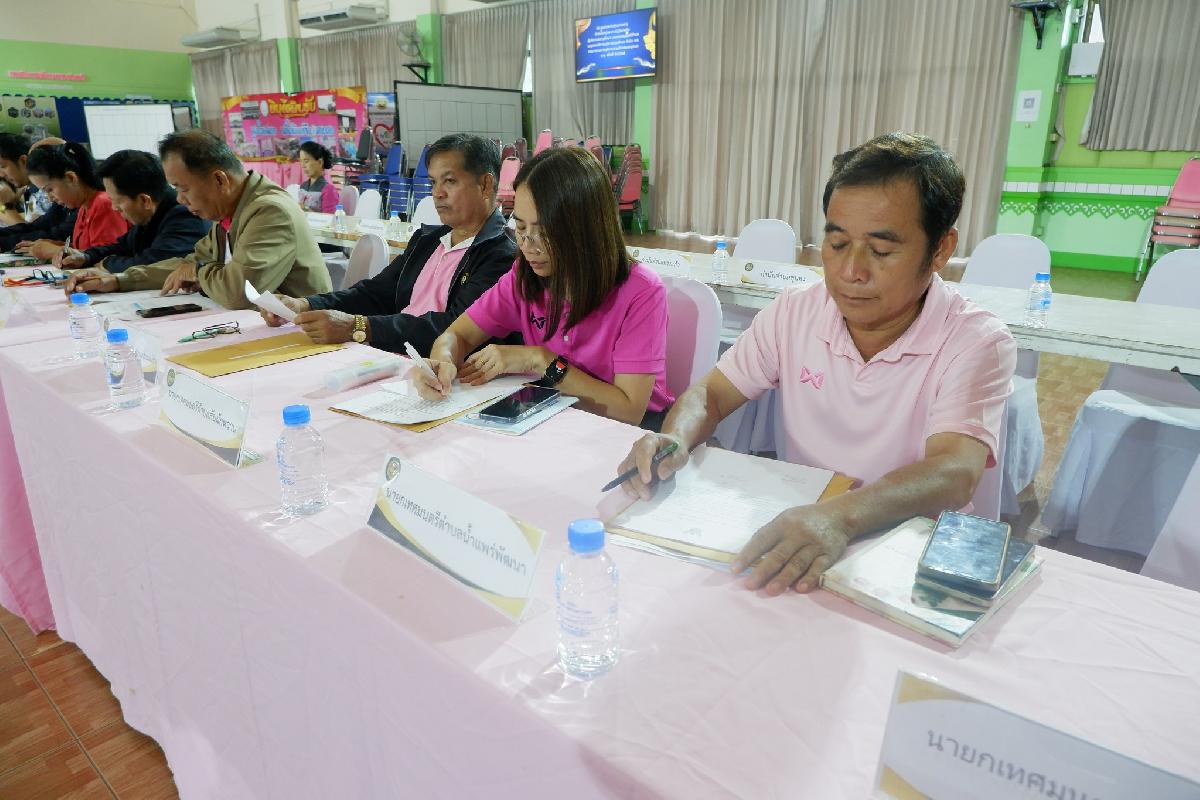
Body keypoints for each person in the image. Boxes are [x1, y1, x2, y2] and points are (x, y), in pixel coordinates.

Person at [617, 132, 1017, 594]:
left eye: (881, 251)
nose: (851, 272)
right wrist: (674, 437)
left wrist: (841, 517)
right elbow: (711, 394)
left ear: (941, 249)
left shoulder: (975, 340)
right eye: (838, 243)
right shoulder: (796, 311)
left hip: (905, 550)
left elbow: (955, 470)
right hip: (802, 528)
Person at [412, 146, 674, 429]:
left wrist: (540, 360)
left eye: (545, 232)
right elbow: (456, 335)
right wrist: (442, 361)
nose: (528, 245)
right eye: (520, 228)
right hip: (557, 415)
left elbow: (628, 411)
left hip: (626, 432)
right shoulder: (524, 278)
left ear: (587, 229)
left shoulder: (640, 292)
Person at [261, 133, 517, 354]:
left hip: (440, 368)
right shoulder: (428, 241)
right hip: (393, 353)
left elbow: (456, 328)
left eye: (450, 181)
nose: (437, 193)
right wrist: (305, 304)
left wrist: (360, 327)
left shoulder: (502, 254)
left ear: (485, 184)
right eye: (433, 182)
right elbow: (375, 292)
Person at [63, 130, 331, 308]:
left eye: (183, 189)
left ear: (219, 180)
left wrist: (199, 272)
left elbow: (239, 292)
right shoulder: (230, 210)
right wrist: (119, 280)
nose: (180, 199)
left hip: (300, 336)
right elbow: (188, 263)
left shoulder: (270, 211)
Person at [57, 150, 210, 273]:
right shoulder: (148, 216)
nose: (114, 208)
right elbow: (121, 247)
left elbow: (156, 263)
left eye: (117, 201)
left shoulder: (183, 215)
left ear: (144, 200)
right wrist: (86, 256)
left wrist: (107, 263)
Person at [24, 141, 129, 262]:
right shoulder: (84, 207)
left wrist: (55, 251)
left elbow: (107, 259)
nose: (50, 198)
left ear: (70, 178)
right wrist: (56, 245)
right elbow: (86, 248)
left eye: (50, 190)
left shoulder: (103, 204)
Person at [0, 134, 77, 255]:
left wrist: (5, 207)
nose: (50, 197)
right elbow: (36, 226)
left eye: (2, 166)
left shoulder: (89, 202)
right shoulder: (32, 191)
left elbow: (53, 235)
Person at [296, 141, 340, 214]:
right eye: (301, 161)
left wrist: (305, 209)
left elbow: (330, 218)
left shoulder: (329, 190)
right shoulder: (303, 186)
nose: (303, 166)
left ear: (320, 162)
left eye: (306, 161)